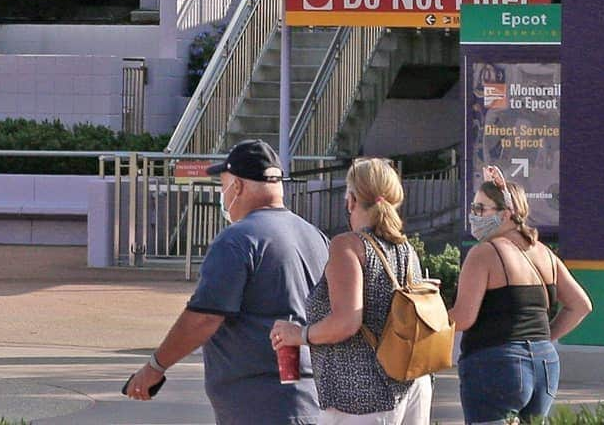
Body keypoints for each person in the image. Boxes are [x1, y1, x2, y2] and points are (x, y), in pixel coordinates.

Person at [125, 139, 329, 425]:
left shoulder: (238, 240)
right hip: (312, 400)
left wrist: (155, 367)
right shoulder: (316, 237)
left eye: (223, 184)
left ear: (238, 186)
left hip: (258, 406)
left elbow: (205, 317)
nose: (223, 194)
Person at [271, 157, 433, 425]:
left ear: (352, 200)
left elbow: (346, 322)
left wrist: (298, 335)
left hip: (360, 398)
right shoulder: (405, 249)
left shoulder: (348, 246)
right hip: (411, 385)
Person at [450, 165, 593, 423]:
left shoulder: (484, 253)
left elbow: (463, 318)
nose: (474, 216)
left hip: (495, 362)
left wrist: (423, 314)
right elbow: (580, 305)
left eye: (481, 209)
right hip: (545, 365)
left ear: (506, 215)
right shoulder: (544, 253)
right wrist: (543, 337)